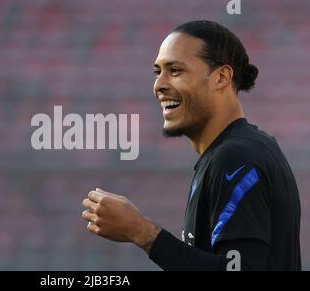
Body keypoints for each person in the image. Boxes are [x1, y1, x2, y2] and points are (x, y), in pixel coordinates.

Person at [81, 20, 301, 271]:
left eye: (175, 71)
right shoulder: (233, 152)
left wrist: (143, 232)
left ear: (221, 77)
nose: (159, 85)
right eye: (158, 72)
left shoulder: (236, 157)